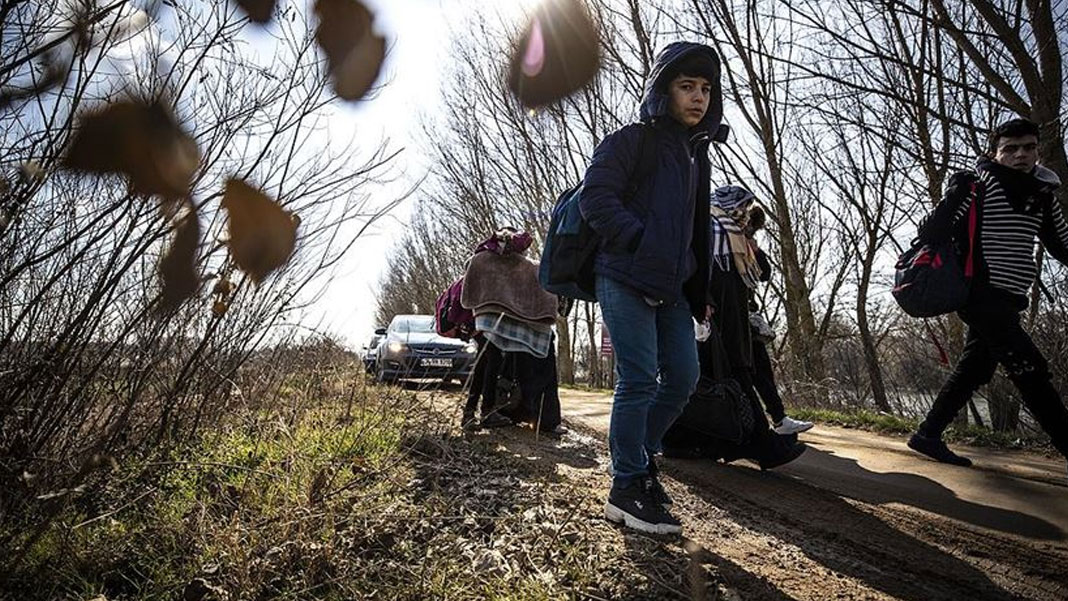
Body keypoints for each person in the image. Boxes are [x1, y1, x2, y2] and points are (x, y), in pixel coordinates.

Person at [579, 42, 722, 535]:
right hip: (623, 273)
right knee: (638, 379)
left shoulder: (695, 156)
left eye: (705, 89)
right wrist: (641, 242)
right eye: (686, 87)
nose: (698, 97)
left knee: (682, 378)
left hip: (675, 287)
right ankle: (626, 487)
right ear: (664, 91)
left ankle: (639, 456)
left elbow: (697, 230)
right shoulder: (630, 141)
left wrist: (699, 285)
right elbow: (595, 198)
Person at [907, 118, 1068, 476]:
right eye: (1010, 149)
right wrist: (955, 193)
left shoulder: (1042, 197)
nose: (1020, 155)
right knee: (1031, 370)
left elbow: (1062, 246)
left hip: (1011, 296)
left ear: (1038, 151)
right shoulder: (978, 185)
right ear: (995, 152)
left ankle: (927, 434)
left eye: (1028, 147)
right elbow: (932, 232)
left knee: (975, 368)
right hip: (979, 293)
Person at [661, 186, 807, 470]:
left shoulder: (736, 236)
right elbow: (700, 270)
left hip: (736, 320)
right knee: (725, 382)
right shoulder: (709, 227)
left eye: (746, 208)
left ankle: (743, 442)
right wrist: (705, 304)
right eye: (740, 208)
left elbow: (760, 273)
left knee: (730, 382)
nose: (743, 215)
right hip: (714, 320)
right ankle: (763, 445)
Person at [744, 205, 813, 435]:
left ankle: (777, 419)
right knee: (751, 370)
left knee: (760, 368)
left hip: (746, 314)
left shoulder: (746, 242)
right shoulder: (722, 238)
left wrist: (755, 250)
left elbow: (764, 273)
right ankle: (768, 421)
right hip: (727, 315)